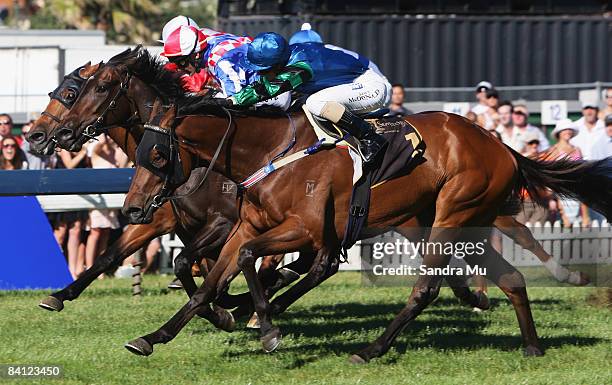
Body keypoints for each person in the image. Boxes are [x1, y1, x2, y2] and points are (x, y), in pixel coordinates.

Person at [225, 32, 391, 162]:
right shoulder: (288, 56)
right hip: (351, 83)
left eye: (262, 70)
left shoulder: (302, 67)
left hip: (372, 87)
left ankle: (370, 137)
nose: (259, 74)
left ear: (277, 65)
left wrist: (233, 100)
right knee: (300, 105)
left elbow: (268, 89)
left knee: (315, 102)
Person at [162, 25, 290, 109]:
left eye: (181, 62)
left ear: (195, 55)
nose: (178, 68)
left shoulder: (219, 62)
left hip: (277, 94)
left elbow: (236, 104)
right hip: (263, 85)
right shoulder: (207, 37)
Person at [85, 134, 128, 272]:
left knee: (105, 233)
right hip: (98, 198)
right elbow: (101, 142)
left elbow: (122, 166)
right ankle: (90, 266)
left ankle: (99, 268)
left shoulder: (116, 153)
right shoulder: (97, 151)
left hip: (111, 198)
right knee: (96, 231)